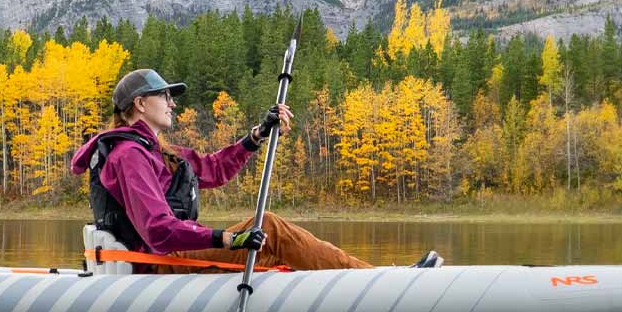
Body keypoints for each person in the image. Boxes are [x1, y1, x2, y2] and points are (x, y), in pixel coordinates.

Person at [70, 68, 444, 272]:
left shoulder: (157, 149)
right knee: (270, 226)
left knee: (269, 248)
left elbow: (213, 169)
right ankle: (376, 283)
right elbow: (157, 230)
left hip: (171, 256)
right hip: (157, 262)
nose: (172, 103)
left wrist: (256, 135)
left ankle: (366, 279)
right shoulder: (129, 155)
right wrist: (226, 240)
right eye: (164, 96)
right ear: (139, 103)